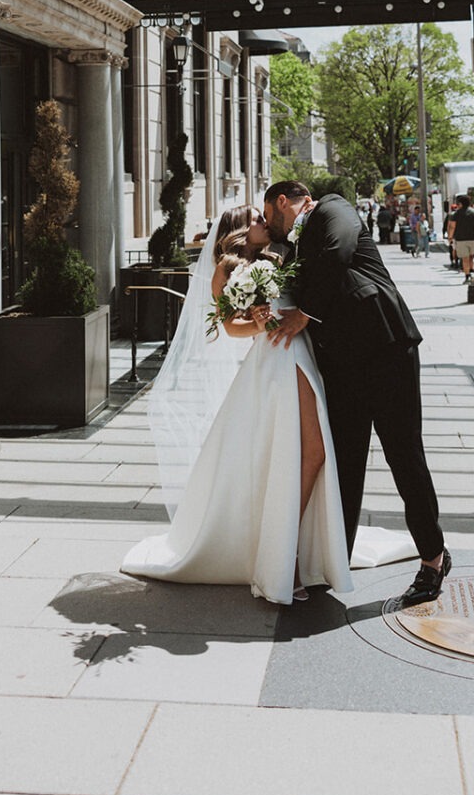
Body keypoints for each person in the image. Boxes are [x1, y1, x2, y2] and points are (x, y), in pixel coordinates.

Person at [120, 205, 352, 605]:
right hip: (276, 358)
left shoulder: (280, 254)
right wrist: (259, 323)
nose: (266, 222)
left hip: (298, 353)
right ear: (242, 229)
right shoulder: (226, 270)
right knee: (304, 454)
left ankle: (290, 548)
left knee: (308, 454)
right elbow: (229, 327)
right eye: (258, 220)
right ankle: (285, 555)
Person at [264, 180, 450, 610]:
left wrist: (304, 314)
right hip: (341, 365)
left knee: (404, 456)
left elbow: (339, 253)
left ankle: (434, 560)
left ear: (283, 202)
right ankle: (336, 560)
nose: (270, 222)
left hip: (387, 350)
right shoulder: (294, 247)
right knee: (345, 464)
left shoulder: (333, 209)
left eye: (269, 213)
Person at [452, 193, 474, 279]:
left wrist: (450, 237)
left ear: (461, 204)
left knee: (465, 258)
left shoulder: (456, 214)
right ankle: (472, 270)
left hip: (461, 239)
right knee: (472, 256)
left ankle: (467, 275)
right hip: (473, 238)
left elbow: (453, 226)